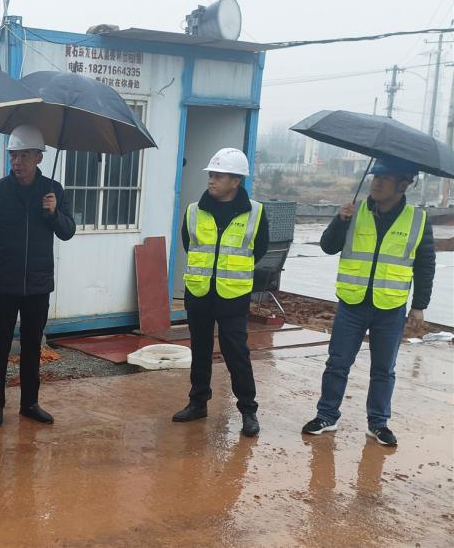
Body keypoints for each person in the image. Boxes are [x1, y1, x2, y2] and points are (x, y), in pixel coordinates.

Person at [302, 157, 435, 446]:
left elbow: (425, 265)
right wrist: (340, 221)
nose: (377, 183)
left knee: (384, 369)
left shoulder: (417, 219)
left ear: (403, 185)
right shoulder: (355, 211)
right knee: (338, 363)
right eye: (375, 177)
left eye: (385, 178)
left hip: (390, 307)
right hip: (353, 302)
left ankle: (378, 423)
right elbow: (328, 246)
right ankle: (326, 415)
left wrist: (419, 305)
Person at [0, 125, 76, 428]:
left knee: (32, 347)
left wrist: (54, 214)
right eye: (13, 156)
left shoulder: (53, 191)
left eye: (24, 156)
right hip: (4, 284)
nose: (17, 162)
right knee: (0, 346)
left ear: (39, 157)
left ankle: (30, 403)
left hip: (38, 285)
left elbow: (68, 231)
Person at [172, 147, 269, 437]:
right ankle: (198, 402)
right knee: (200, 350)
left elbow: (259, 250)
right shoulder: (194, 210)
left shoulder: (255, 212)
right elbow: (189, 244)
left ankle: (248, 410)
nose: (211, 180)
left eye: (218, 175)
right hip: (199, 292)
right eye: (211, 174)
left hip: (233, 295)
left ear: (236, 181)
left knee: (236, 352)